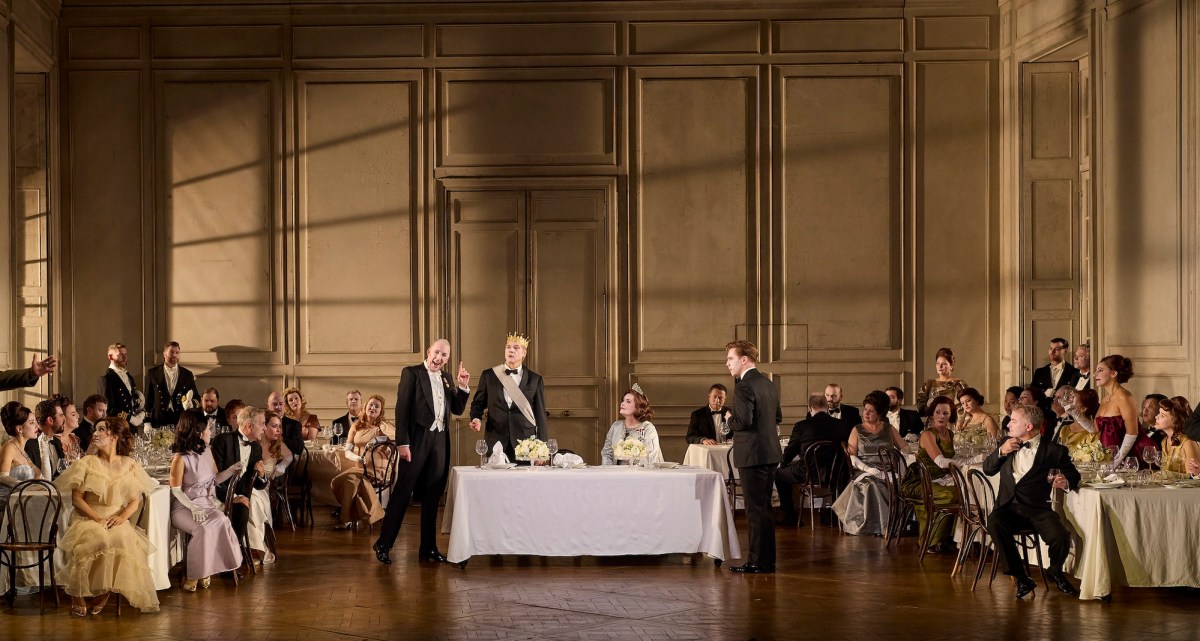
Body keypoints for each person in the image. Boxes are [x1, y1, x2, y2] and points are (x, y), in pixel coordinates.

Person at [372, 339, 471, 565]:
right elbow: (402, 409)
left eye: (444, 355)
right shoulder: (411, 373)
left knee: (433, 495)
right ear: (429, 352)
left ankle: (428, 548)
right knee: (403, 492)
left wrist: (463, 386)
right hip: (416, 440)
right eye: (437, 353)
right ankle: (384, 544)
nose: (439, 358)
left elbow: (456, 408)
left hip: (440, 440)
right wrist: (403, 443)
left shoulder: (446, 378)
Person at [55, 417, 160, 615]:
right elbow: (77, 500)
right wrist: (97, 519)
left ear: (114, 436)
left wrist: (122, 518)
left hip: (115, 517)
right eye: (95, 430)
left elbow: (134, 501)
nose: (95, 433)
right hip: (89, 517)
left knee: (123, 540)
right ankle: (77, 593)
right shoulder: (87, 463)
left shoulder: (129, 465)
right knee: (99, 539)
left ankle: (105, 592)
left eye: (101, 430)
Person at [983, 402, 1081, 598]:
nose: (1008, 424)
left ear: (1028, 427)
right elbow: (988, 468)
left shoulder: (1054, 451)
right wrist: (1001, 451)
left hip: (1038, 509)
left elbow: (1073, 476)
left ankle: (1055, 570)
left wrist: (1064, 481)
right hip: (1008, 508)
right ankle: (1021, 578)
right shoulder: (1005, 442)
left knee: (1060, 536)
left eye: (1013, 420)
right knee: (994, 521)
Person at [724, 339, 782, 574]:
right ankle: (766, 561)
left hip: (753, 454)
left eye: (730, 359)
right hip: (769, 452)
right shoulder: (768, 383)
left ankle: (758, 561)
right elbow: (777, 417)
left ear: (743, 359)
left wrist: (729, 419)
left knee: (755, 510)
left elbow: (744, 422)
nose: (727, 363)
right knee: (764, 509)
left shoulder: (744, 385)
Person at [168, 410, 243, 592]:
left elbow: (215, 480)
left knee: (222, 520)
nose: (211, 432)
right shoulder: (180, 458)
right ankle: (195, 575)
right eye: (209, 429)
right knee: (203, 528)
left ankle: (204, 571)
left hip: (207, 504)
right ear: (198, 431)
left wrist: (231, 470)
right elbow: (176, 490)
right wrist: (193, 507)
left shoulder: (207, 452)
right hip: (184, 507)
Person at [833, 391, 906, 535]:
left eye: (871, 411)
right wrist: (867, 468)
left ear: (879, 413)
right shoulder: (857, 430)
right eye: (865, 409)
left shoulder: (889, 429)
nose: (866, 414)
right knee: (873, 484)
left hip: (888, 470)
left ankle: (890, 526)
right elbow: (852, 457)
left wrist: (904, 454)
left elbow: (904, 447)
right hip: (865, 471)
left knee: (895, 484)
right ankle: (885, 527)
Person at [469, 333, 549, 462]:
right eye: (508, 347)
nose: (511, 350)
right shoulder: (489, 375)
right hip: (496, 438)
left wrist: (542, 448)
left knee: (525, 481)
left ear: (524, 353)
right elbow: (478, 403)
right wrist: (476, 417)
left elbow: (540, 414)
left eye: (516, 347)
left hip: (526, 442)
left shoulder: (535, 379)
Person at [775, 394, 850, 526]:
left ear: (810, 408)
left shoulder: (802, 426)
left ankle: (790, 516)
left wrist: (783, 464)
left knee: (779, 474)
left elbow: (790, 451)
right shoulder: (842, 425)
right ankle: (834, 514)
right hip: (836, 474)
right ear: (827, 407)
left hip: (808, 474)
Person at [899, 396, 958, 554]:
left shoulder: (950, 434)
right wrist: (972, 460)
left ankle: (947, 539)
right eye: (938, 412)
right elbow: (941, 462)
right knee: (951, 496)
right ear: (932, 414)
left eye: (945, 413)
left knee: (964, 494)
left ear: (951, 415)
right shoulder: (928, 434)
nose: (941, 416)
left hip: (940, 479)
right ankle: (930, 540)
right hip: (920, 481)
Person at [210, 406, 268, 553]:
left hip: (241, 497)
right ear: (249, 425)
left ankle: (233, 557)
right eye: (262, 423)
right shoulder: (223, 441)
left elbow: (259, 486)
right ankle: (231, 559)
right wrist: (232, 497)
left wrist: (261, 475)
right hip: (217, 495)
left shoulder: (256, 448)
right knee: (242, 508)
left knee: (243, 508)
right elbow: (214, 479)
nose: (265, 428)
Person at [331, 394, 393, 530]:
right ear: (365, 407)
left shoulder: (383, 426)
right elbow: (347, 451)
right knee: (339, 481)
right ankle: (373, 514)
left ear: (381, 411)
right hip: (360, 467)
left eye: (377, 406)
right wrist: (358, 458)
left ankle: (345, 520)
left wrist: (379, 438)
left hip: (379, 470)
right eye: (371, 404)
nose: (373, 408)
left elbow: (396, 438)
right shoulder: (356, 426)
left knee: (350, 479)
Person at [1093, 355, 1155, 469]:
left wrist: (1116, 461)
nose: (1095, 374)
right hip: (1109, 457)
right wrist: (1075, 414)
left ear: (1113, 374)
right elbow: (1095, 430)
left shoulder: (1124, 397)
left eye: (1100, 370)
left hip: (1130, 456)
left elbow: (1132, 433)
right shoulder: (1105, 399)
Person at [249, 411, 293, 563]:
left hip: (263, 488)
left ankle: (256, 549)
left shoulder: (277, 444)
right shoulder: (254, 442)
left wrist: (282, 466)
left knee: (254, 501)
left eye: (279, 426)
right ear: (264, 426)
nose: (278, 430)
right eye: (274, 426)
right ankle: (250, 548)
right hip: (247, 486)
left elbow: (291, 456)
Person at [600, 386, 662, 466]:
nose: (622, 403)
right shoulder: (616, 426)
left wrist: (633, 473)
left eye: (628, 401)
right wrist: (611, 472)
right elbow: (606, 453)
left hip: (641, 475)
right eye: (623, 401)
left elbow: (650, 457)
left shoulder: (648, 428)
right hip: (616, 475)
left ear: (638, 407)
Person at [1, 402, 43, 515]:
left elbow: (38, 475)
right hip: (6, 508)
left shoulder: (23, 452)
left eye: (35, 422)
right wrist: (27, 486)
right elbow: (2, 476)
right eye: (31, 423)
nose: (37, 426)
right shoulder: (9, 447)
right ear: (19, 429)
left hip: (22, 505)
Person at [145, 341, 199, 428]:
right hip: (158, 418)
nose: (174, 355)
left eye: (177, 353)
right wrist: (146, 422)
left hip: (180, 419)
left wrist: (191, 403)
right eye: (171, 352)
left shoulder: (187, 374)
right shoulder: (153, 373)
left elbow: (197, 397)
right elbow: (148, 399)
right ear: (164, 354)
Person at [1029, 338, 1080, 416]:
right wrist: (1044, 393)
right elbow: (1032, 394)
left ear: (1065, 351)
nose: (1052, 352)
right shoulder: (1039, 372)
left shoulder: (1074, 372)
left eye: (1056, 349)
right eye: (1050, 348)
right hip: (1043, 414)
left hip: (1065, 415)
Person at [915, 347, 967, 416]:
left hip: (953, 424)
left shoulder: (960, 384)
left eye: (944, 364)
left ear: (951, 366)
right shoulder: (928, 384)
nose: (940, 366)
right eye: (938, 363)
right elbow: (921, 410)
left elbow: (965, 409)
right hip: (933, 424)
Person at [1154, 397, 1199, 476]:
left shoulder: (1188, 442)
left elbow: (1192, 477)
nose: (1156, 417)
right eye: (1159, 413)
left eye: (1162, 415)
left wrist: (1163, 475)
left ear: (1175, 420)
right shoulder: (1164, 441)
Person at [98, 342, 140, 423]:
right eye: (120, 355)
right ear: (110, 357)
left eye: (125, 354)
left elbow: (132, 400)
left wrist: (141, 413)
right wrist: (129, 418)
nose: (124, 358)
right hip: (116, 426)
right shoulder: (106, 379)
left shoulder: (129, 376)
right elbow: (108, 408)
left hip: (132, 426)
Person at [26, 398, 65, 480]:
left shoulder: (57, 442)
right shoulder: (29, 445)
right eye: (61, 415)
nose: (64, 418)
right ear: (50, 420)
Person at [267, 392, 305, 457]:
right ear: (268, 406)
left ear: (284, 405)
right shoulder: (262, 422)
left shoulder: (294, 424)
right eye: (274, 404)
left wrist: (279, 439)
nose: (278, 407)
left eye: (281, 404)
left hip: (285, 464)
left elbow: (299, 449)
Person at [60, 398, 86, 462]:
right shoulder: (54, 442)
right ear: (63, 419)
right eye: (73, 414)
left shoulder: (74, 439)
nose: (78, 416)